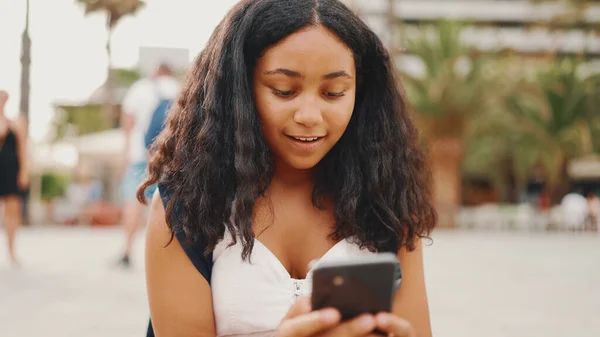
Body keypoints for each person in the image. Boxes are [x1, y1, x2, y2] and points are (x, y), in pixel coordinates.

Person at [140, 1, 437, 336]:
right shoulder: (185, 208)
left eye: (333, 93)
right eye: (284, 91)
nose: (309, 115)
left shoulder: (387, 200)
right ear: (240, 88)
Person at [117, 63, 180, 267]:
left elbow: (128, 122)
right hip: (169, 157)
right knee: (168, 204)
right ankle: (169, 254)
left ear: (154, 71)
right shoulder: (179, 87)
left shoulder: (140, 88)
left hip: (139, 155)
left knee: (133, 202)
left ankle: (127, 251)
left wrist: (125, 153)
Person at [0, 90, 29, 266]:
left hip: (11, 170)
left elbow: (23, 150)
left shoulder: (17, 122)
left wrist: (24, 172)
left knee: (12, 211)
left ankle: (11, 251)